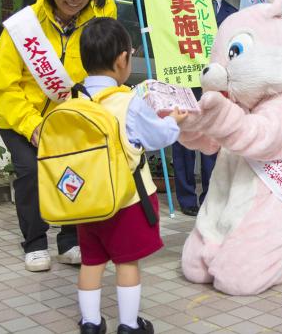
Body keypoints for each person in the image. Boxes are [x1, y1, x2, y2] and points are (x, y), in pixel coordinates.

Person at [0, 0, 109, 272]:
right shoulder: (22, 26)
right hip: (18, 116)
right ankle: (35, 241)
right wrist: (31, 125)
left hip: (67, 118)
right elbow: (4, 85)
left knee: (74, 171)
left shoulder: (94, 28)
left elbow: (100, 77)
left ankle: (70, 239)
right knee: (30, 172)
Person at [76, 18, 185, 334]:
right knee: (126, 263)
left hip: (86, 200)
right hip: (127, 199)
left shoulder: (74, 100)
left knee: (91, 262)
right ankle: (128, 325)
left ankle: (91, 324)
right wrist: (174, 120)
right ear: (123, 59)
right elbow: (158, 138)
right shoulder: (129, 102)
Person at [127, 0, 239, 216]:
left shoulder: (234, 16)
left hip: (215, 88)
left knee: (211, 143)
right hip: (183, 82)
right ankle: (187, 199)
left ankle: (210, 197)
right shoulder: (184, 4)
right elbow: (153, 21)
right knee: (184, 142)